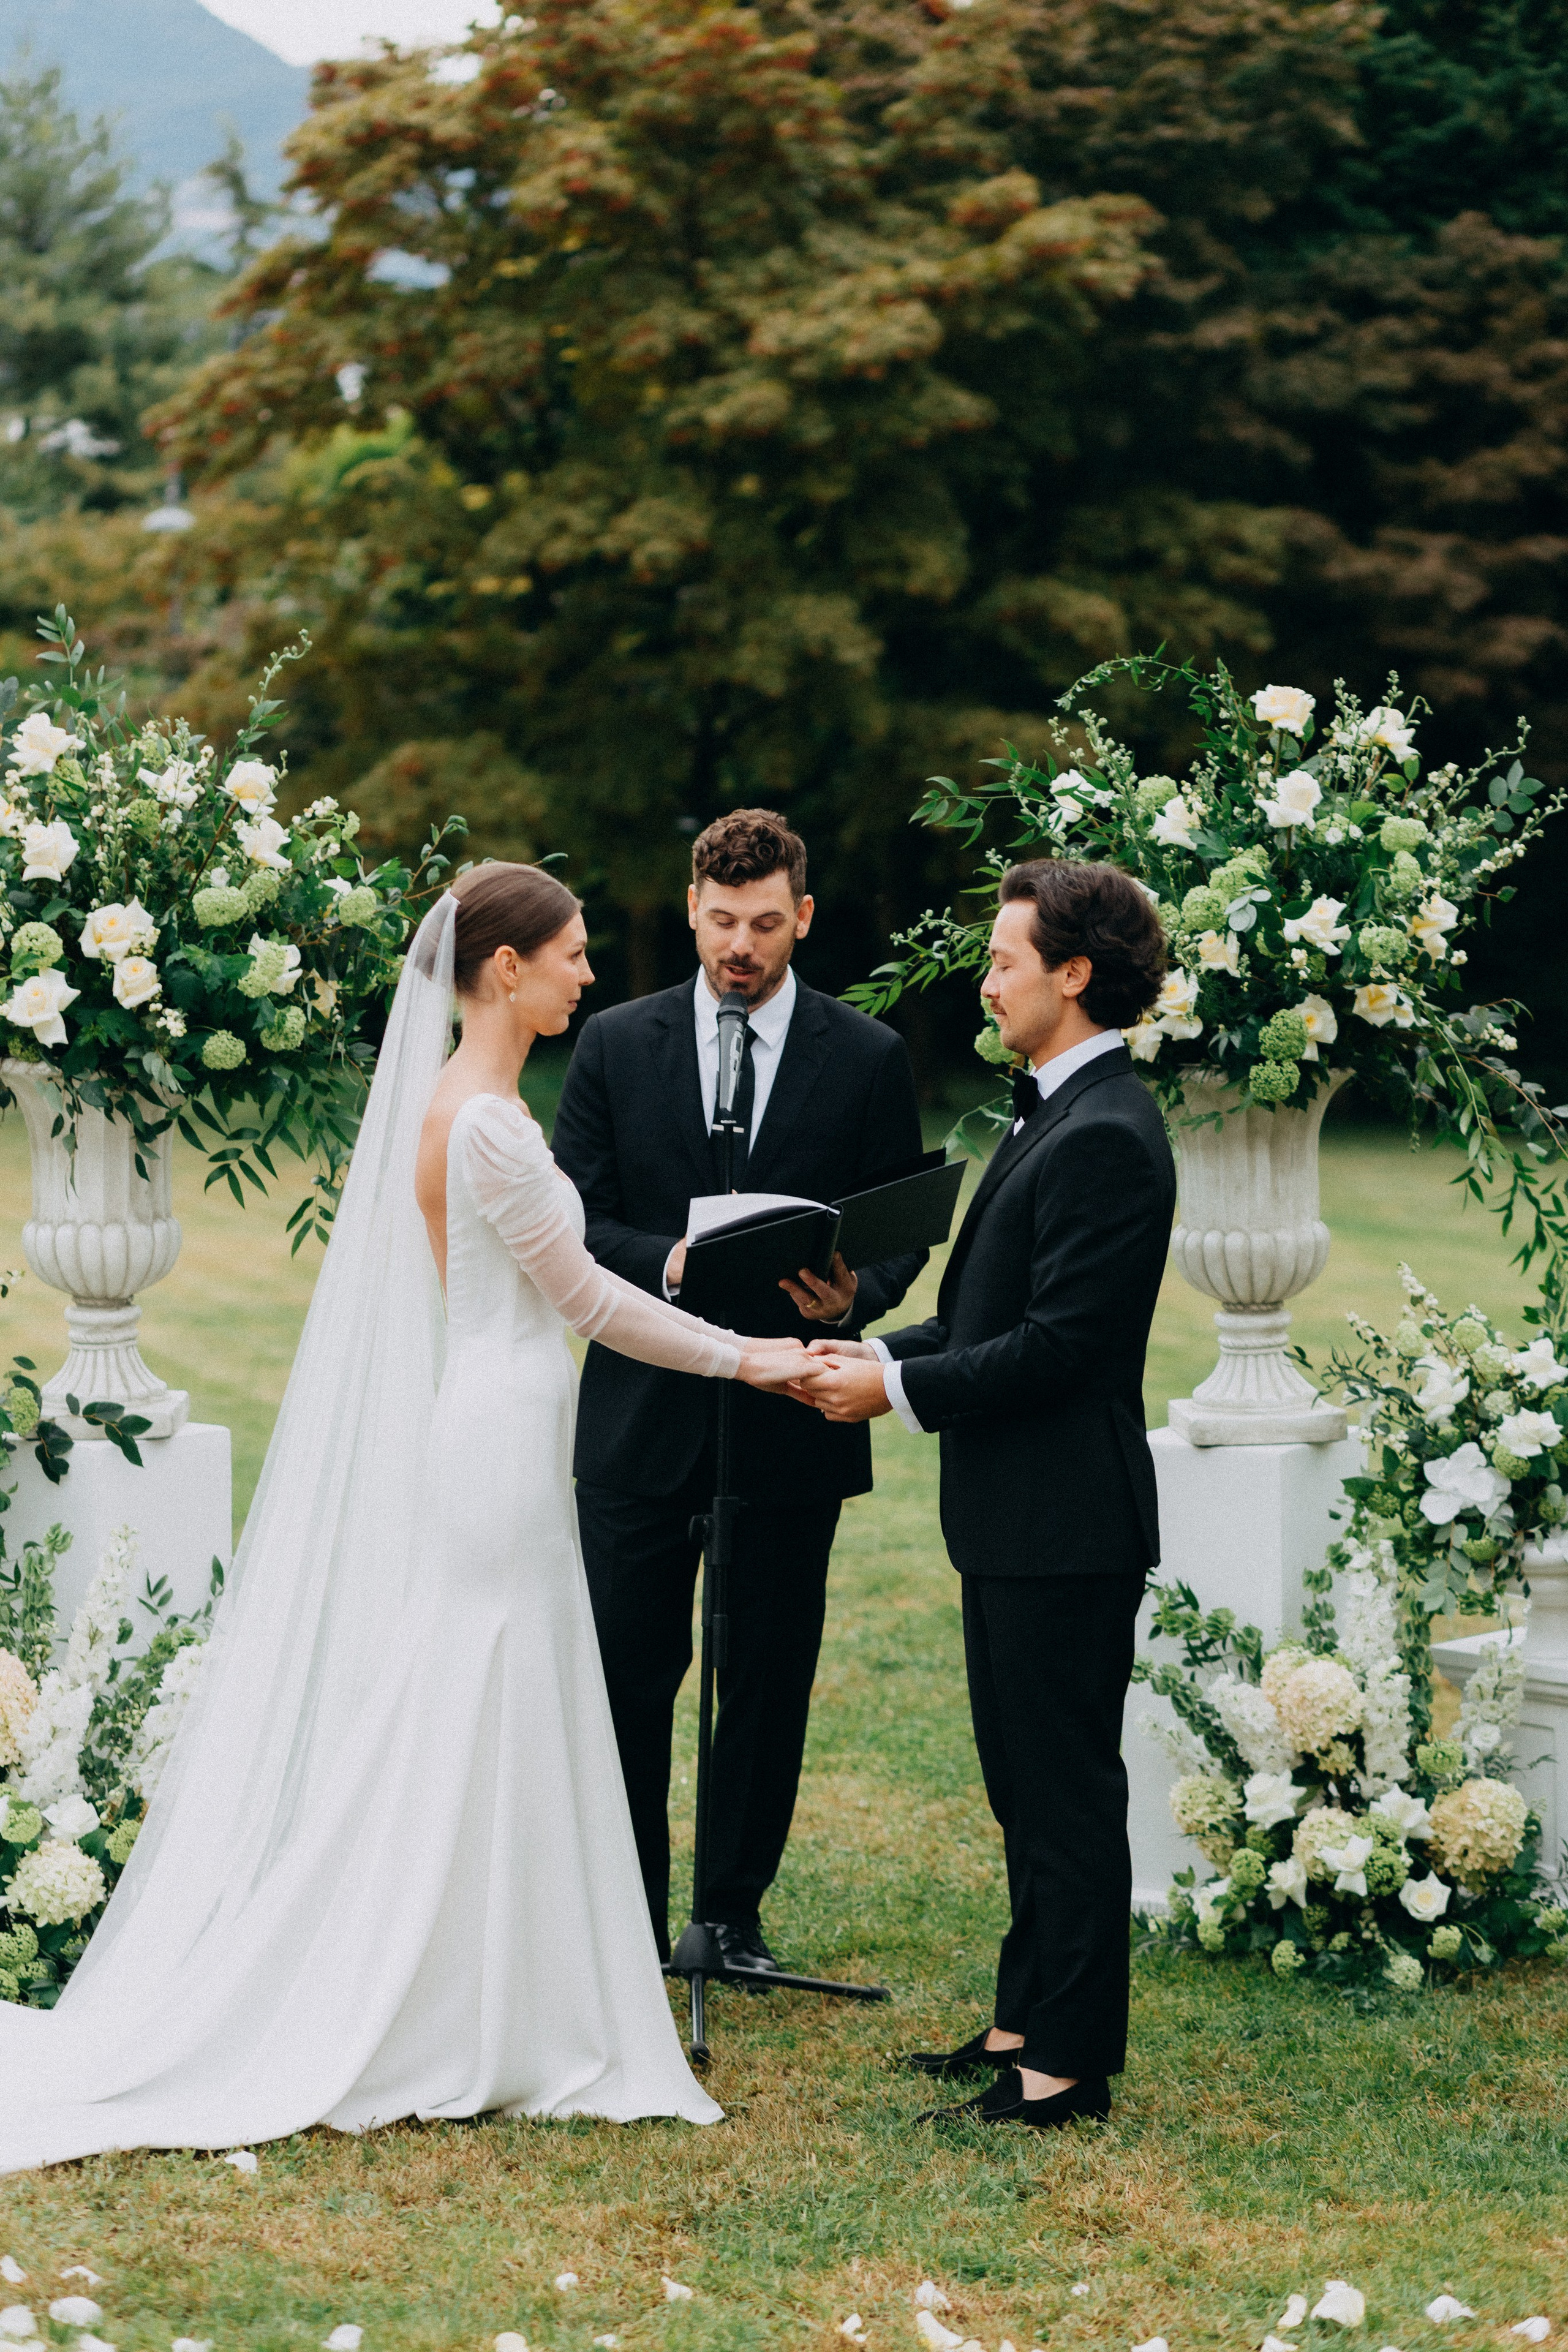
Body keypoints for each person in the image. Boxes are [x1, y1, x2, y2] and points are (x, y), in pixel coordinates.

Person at [0, 865, 813, 2173]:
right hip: (498, 1433)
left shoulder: (469, 1101)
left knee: (491, 1694)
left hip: (494, 1420)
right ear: (506, 968)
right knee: (483, 1688)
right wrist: (751, 1357)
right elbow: (589, 1300)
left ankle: (492, 1979)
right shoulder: (486, 1122)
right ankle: (456, 1991)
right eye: (571, 953)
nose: (588, 973)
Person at [791, 859, 1175, 2132]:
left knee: (1064, 1794)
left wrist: (893, 1396)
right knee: (1022, 1787)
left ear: (1073, 973)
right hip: (1013, 1519)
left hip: (1067, 1521)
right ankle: (1022, 2021)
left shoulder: (1109, 1133)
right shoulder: (1050, 1111)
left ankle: (1064, 2066)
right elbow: (979, 1317)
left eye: (1005, 962)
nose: (987, 983)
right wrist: (869, 1350)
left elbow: (1060, 1349)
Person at [551, 809, 925, 1973]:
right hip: (639, 1417)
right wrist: (668, 1263)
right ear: (691, 910)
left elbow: (901, 1226)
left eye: (765, 924)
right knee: (625, 1673)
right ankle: (621, 1921)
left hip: (794, 1412)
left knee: (766, 1678)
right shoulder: (615, 1043)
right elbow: (575, 1218)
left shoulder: (869, 1056)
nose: (740, 947)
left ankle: (729, 1916)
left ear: (802, 917)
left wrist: (854, 1293)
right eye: (721, 922)